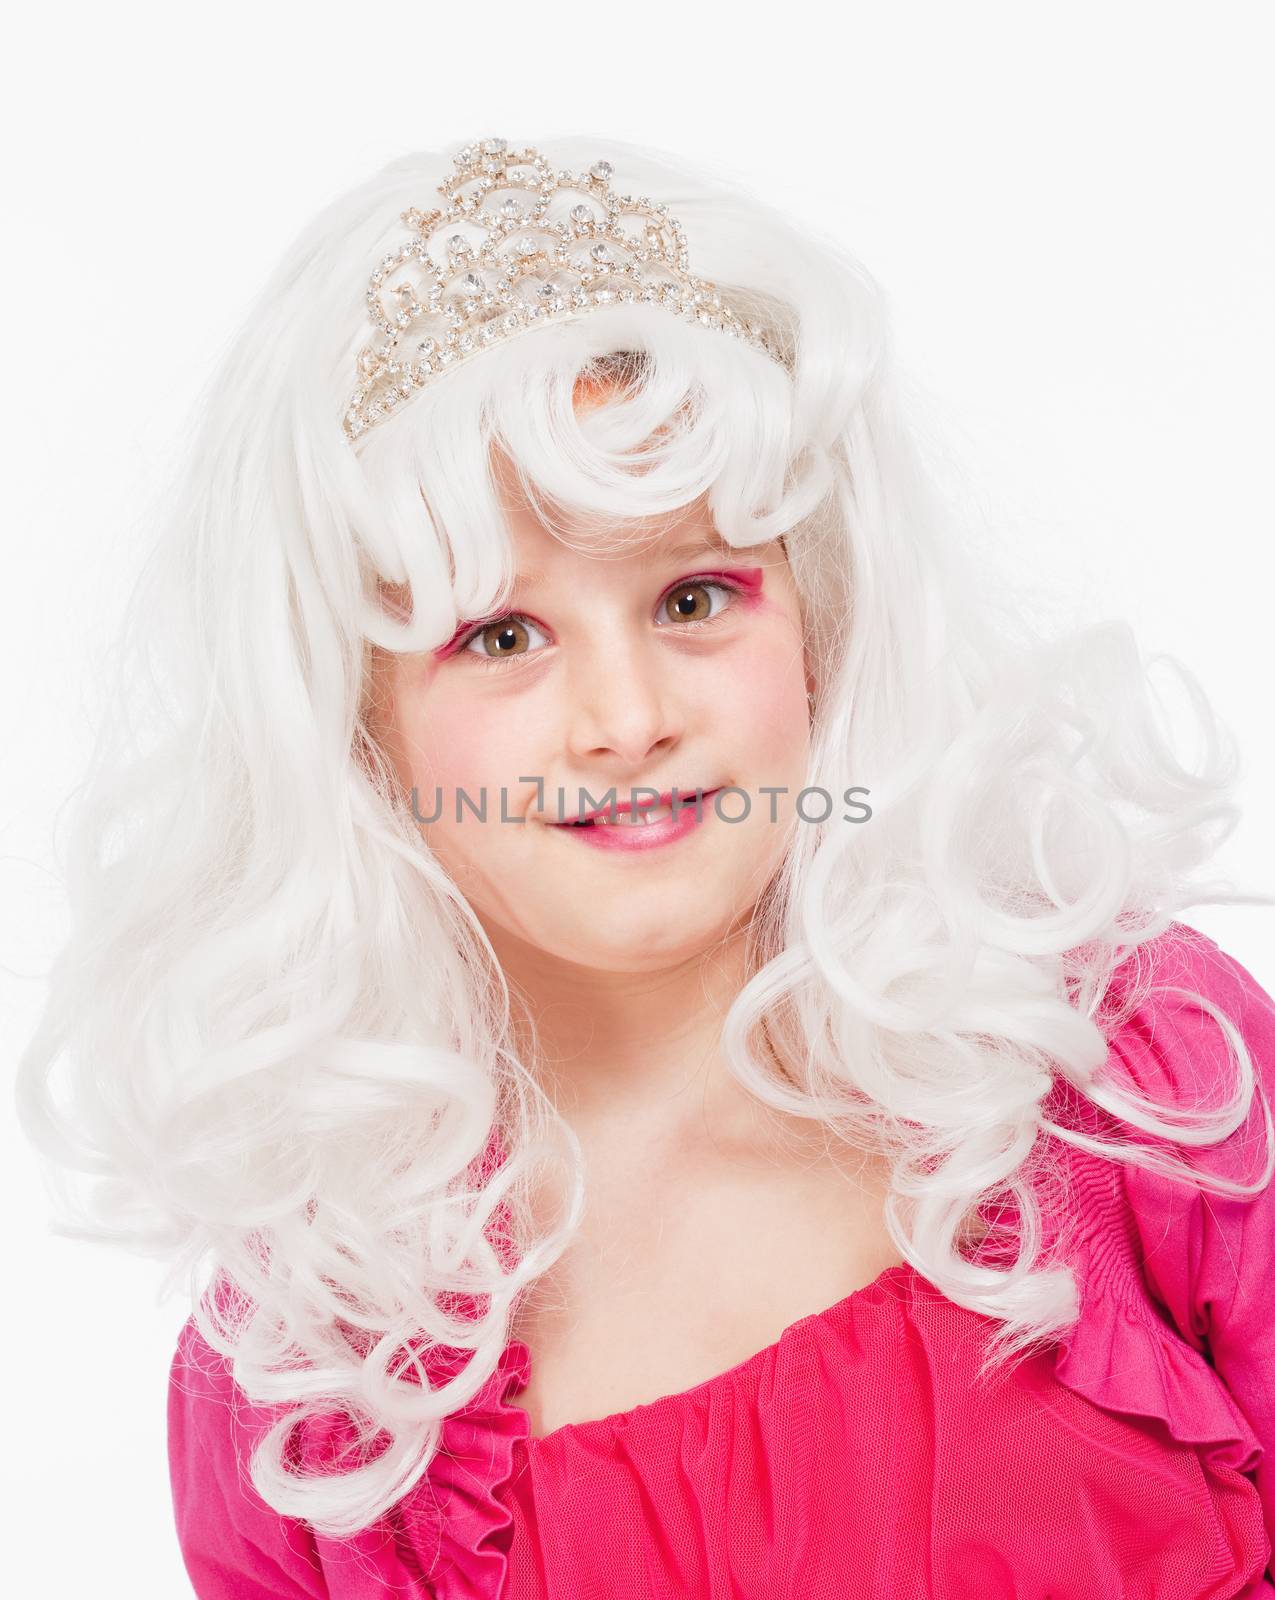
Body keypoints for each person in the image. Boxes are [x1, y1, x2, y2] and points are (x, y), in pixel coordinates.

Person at [15, 133, 1275, 1598]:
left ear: (819, 624)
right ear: (356, 728)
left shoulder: (1126, 1080)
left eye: (694, 596)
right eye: (499, 634)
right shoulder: (319, 1379)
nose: (627, 720)